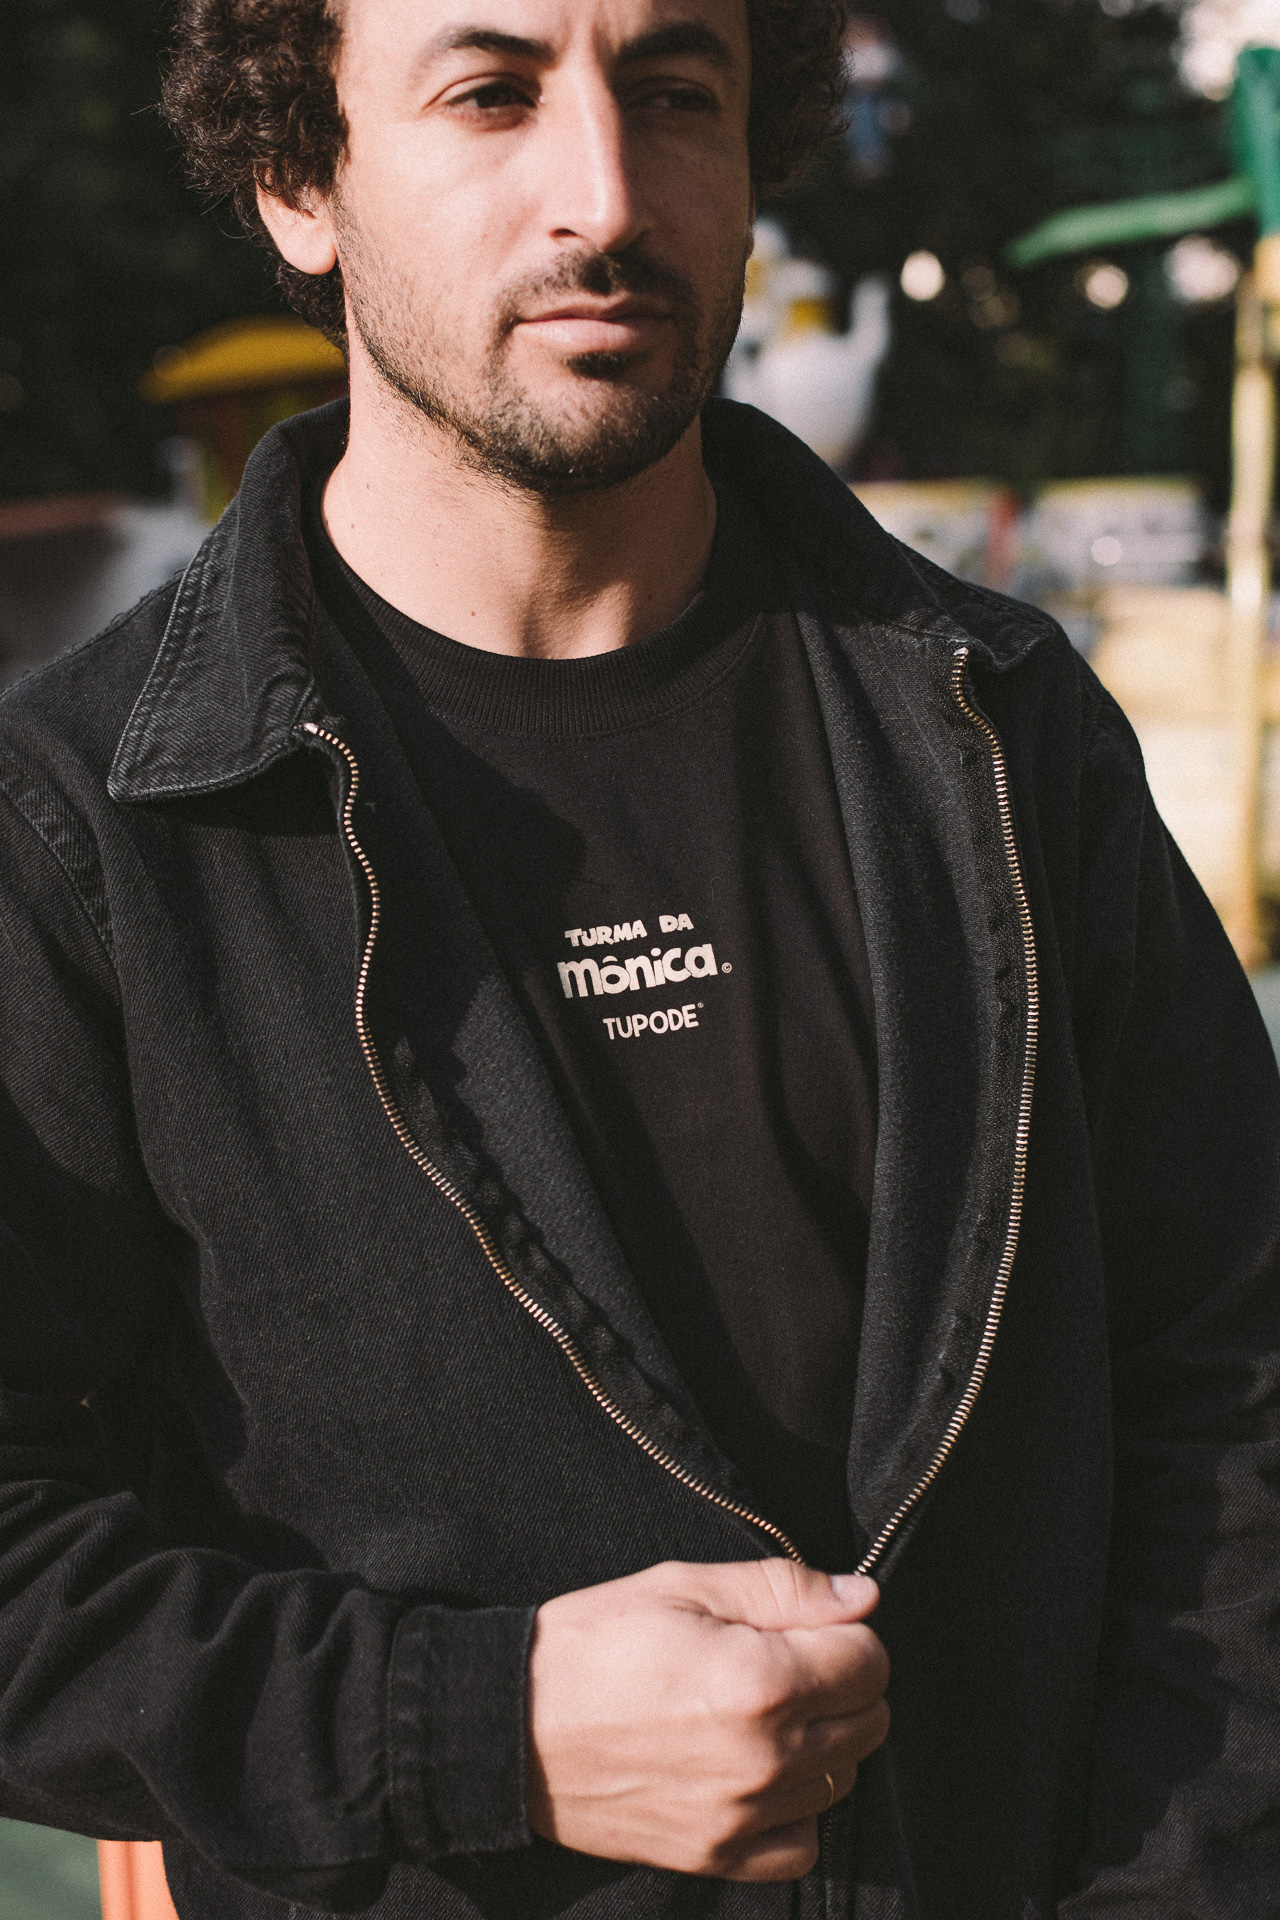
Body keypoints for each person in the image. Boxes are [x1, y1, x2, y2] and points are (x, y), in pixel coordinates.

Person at [0, 0, 1276, 1914]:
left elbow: (1232, 1388)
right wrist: (475, 1727)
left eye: (674, 93)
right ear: (295, 173)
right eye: (490, 92)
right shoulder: (91, 832)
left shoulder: (1004, 732)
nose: (603, 195)